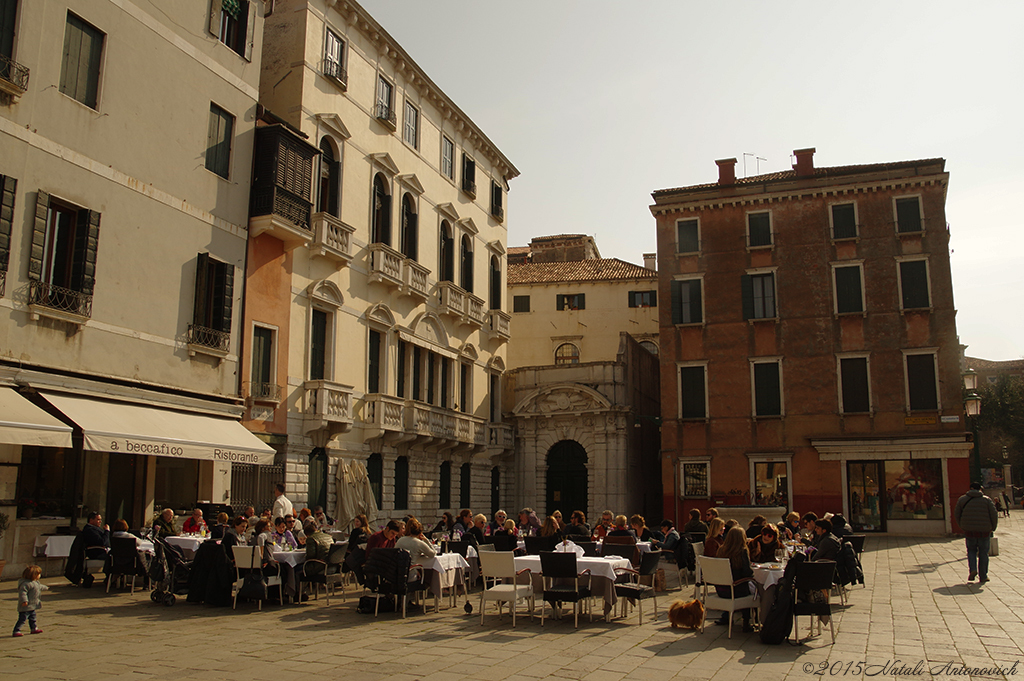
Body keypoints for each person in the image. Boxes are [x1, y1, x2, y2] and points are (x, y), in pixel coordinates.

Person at [954, 481, 998, 583]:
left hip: (969, 531)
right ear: (980, 489)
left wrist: (962, 526)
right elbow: (993, 515)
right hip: (984, 531)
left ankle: (973, 569)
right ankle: (983, 575)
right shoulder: (987, 500)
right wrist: (993, 528)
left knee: (971, 551)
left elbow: (957, 514)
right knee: (983, 553)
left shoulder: (962, 500)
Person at [713, 527, 755, 632]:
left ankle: (726, 616)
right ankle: (746, 621)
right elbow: (747, 572)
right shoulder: (742, 551)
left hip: (721, 589)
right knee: (748, 588)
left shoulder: (721, 550)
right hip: (736, 590)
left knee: (736, 586)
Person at [13, 565, 47, 637]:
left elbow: (39, 586)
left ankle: (33, 628)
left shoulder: (35, 582)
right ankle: (16, 630)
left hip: (32, 605)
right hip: (26, 606)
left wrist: (45, 588)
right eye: (38, 574)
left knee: (33, 618)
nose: (39, 576)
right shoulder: (26, 584)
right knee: (22, 619)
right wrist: (24, 601)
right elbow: (23, 593)